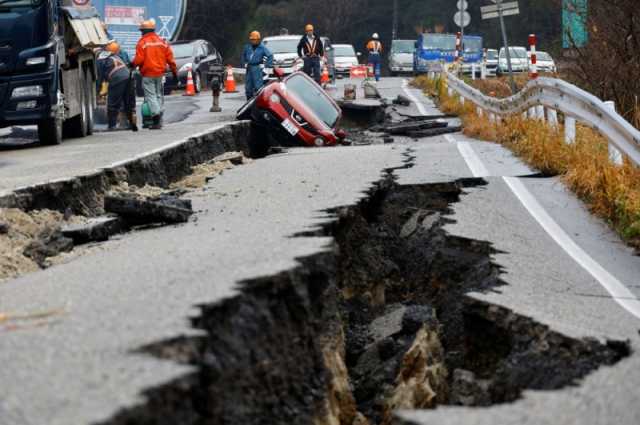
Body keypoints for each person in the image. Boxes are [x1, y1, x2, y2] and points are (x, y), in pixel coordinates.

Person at [132, 19, 178, 130]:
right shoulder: (162, 42)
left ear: (144, 31)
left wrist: (131, 65)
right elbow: (171, 60)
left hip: (148, 74)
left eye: (142, 31)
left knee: (151, 96)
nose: (141, 33)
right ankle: (159, 117)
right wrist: (175, 74)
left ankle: (156, 119)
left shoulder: (142, 43)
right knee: (158, 94)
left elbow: (139, 60)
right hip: (160, 73)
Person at [97, 41, 137, 132]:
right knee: (128, 102)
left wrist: (97, 90)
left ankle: (112, 126)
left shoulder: (101, 58)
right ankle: (131, 124)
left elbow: (99, 77)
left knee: (113, 103)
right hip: (129, 77)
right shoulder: (117, 57)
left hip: (118, 79)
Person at [241, 31, 274, 100]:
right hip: (249, 68)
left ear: (258, 39)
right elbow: (243, 56)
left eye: (255, 39)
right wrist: (244, 63)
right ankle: (248, 102)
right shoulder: (247, 47)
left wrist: (267, 65)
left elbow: (270, 55)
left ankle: (259, 103)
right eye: (252, 39)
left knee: (258, 87)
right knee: (248, 88)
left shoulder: (262, 47)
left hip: (257, 68)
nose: (253, 41)